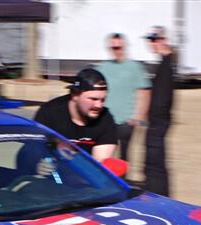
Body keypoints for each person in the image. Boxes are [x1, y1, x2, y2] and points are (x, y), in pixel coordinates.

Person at [33, 68, 117, 161]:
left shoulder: (105, 118)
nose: (99, 105)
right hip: (52, 170)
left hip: (84, 172)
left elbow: (100, 163)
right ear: (75, 95)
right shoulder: (49, 113)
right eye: (93, 99)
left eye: (102, 100)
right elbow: (36, 150)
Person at [96, 33, 150, 163]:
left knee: (124, 157)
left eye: (119, 47)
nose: (117, 51)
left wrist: (139, 117)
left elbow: (144, 93)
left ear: (125, 46)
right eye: (113, 48)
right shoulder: (103, 68)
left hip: (126, 122)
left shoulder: (134, 67)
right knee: (105, 156)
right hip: (106, 120)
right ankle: (107, 182)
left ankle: (123, 181)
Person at [144, 26, 175, 197]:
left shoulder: (167, 65)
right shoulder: (165, 63)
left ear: (162, 40)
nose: (151, 43)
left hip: (158, 122)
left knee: (155, 162)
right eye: (149, 40)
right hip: (158, 121)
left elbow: (162, 98)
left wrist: (155, 121)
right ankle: (158, 193)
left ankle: (158, 195)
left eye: (153, 39)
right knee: (156, 160)